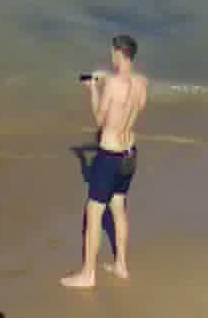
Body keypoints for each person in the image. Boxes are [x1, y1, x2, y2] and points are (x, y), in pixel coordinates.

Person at [61, 35, 148, 289]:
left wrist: (93, 91)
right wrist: (105, 77)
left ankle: (88, 275)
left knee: (94, 213)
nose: (111, 57)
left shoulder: (111, 86)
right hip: (129, 152)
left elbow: (101, 121)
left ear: (118, 54)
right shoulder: (142, 83)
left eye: (112, 53)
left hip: (109, 155)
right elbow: (131, 102)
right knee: (119, 207)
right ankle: (121, 265)